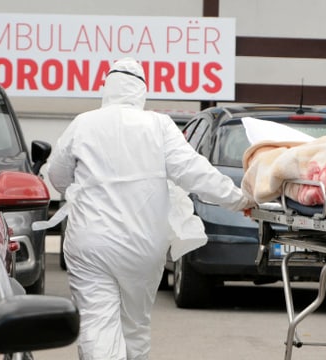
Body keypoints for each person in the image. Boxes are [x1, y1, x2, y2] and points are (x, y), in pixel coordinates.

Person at [46, 57, 253, 360]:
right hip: (142, 245)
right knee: (135, 326)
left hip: (91, 242)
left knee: (96, 323)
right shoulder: (159, 126)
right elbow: (195, 171)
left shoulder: (84, 123)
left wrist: (78, 191)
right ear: (140, 91)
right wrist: (239, 199)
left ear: (107, 88)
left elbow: (57, 175)